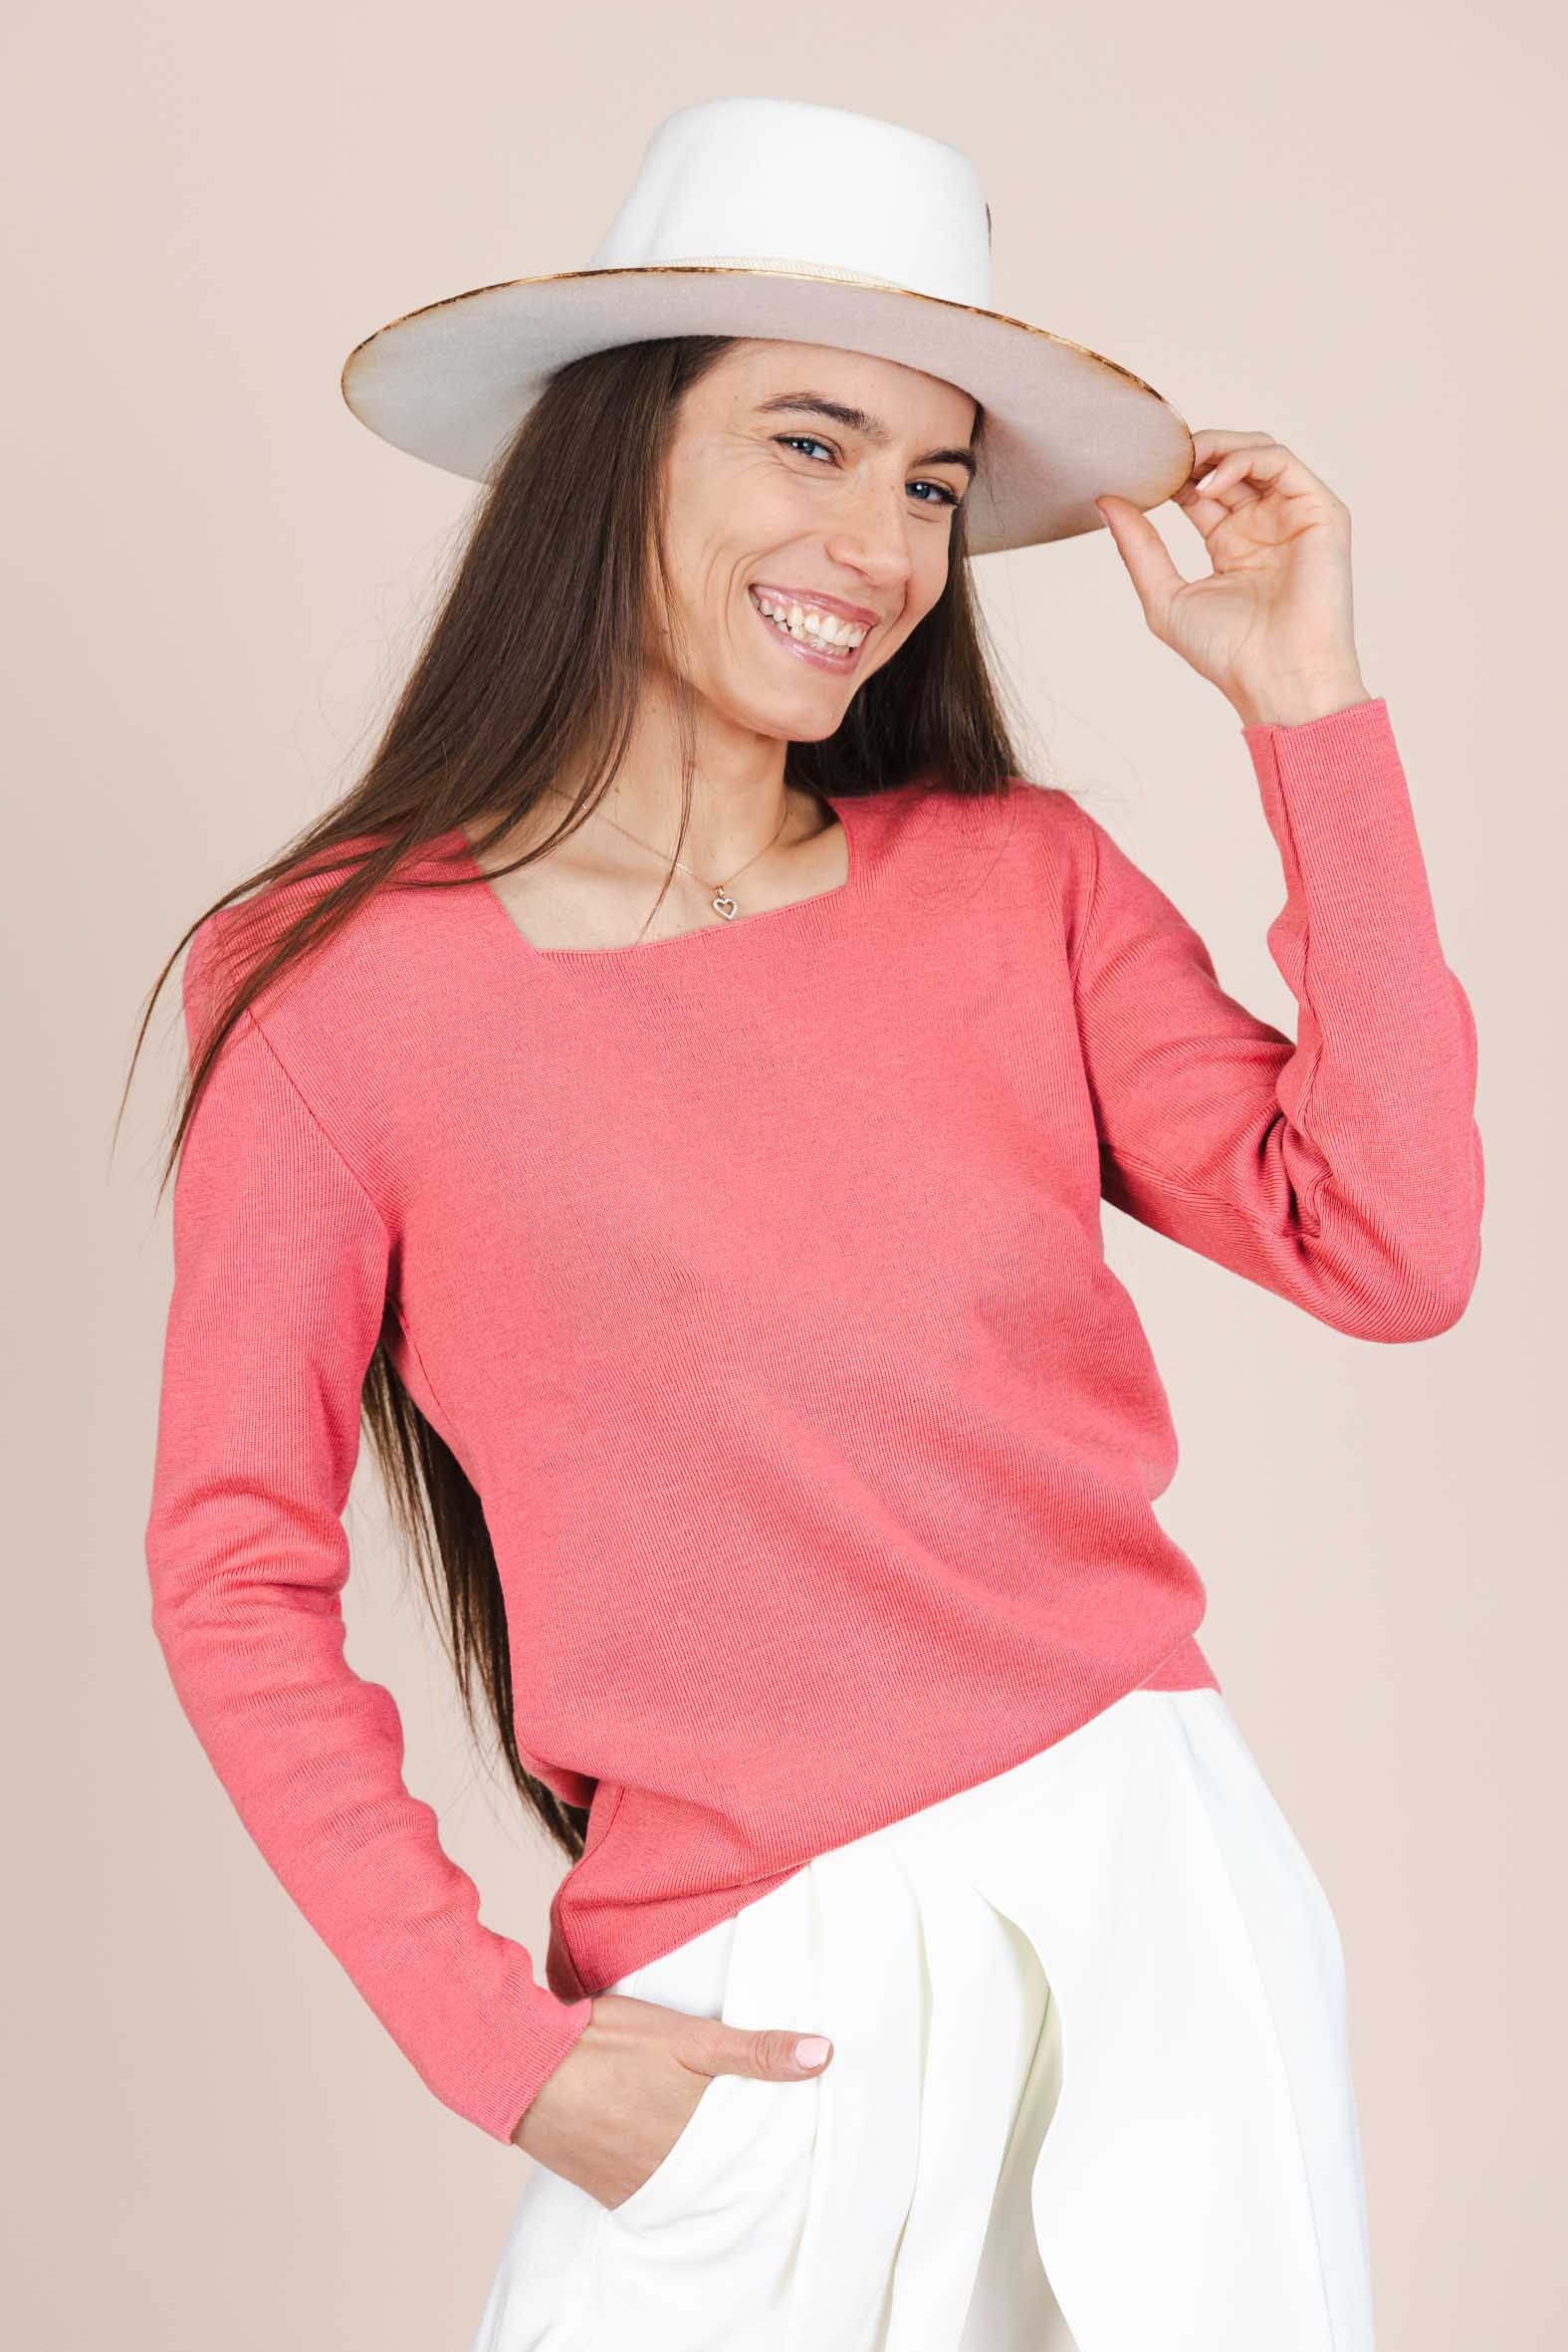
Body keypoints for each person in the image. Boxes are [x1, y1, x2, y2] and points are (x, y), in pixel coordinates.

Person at [138, 97, 1482, 2351]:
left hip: (1153, 1915)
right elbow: (230, 1566)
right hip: (746, 1992)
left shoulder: (1019, 885)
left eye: (933, 482)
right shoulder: (330, 985)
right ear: (618, 456)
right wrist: (501, 2047)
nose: (877, 541)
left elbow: (1390, 1242)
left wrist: (1307, 711)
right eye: (808, 442)